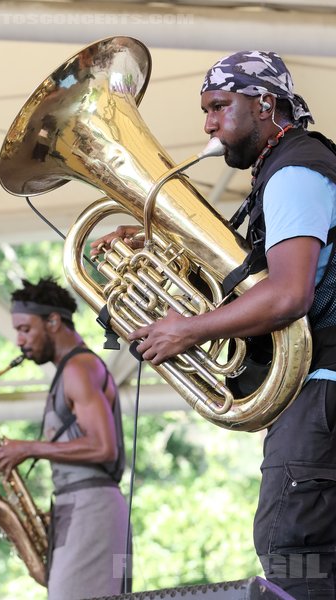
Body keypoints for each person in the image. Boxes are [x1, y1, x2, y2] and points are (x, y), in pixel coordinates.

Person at [91, 50, 336, 600]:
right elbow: (252, 272)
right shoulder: (290, 169)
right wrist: (152, 242)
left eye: (220, 106)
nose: (208, 124)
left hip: (320, 398)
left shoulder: (294, 171)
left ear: (265, 103)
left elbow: (288, 293)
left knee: (297, 561)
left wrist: (189, 329)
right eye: (206, 111)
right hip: (320, 400)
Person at [0, 277, 131, 600]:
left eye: (25, 329)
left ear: (53, 321)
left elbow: (103, 446)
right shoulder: (72, 369)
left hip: (92, 509)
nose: (19, 341)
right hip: (87, 507)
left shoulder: (78, 368)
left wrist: (28, 448)